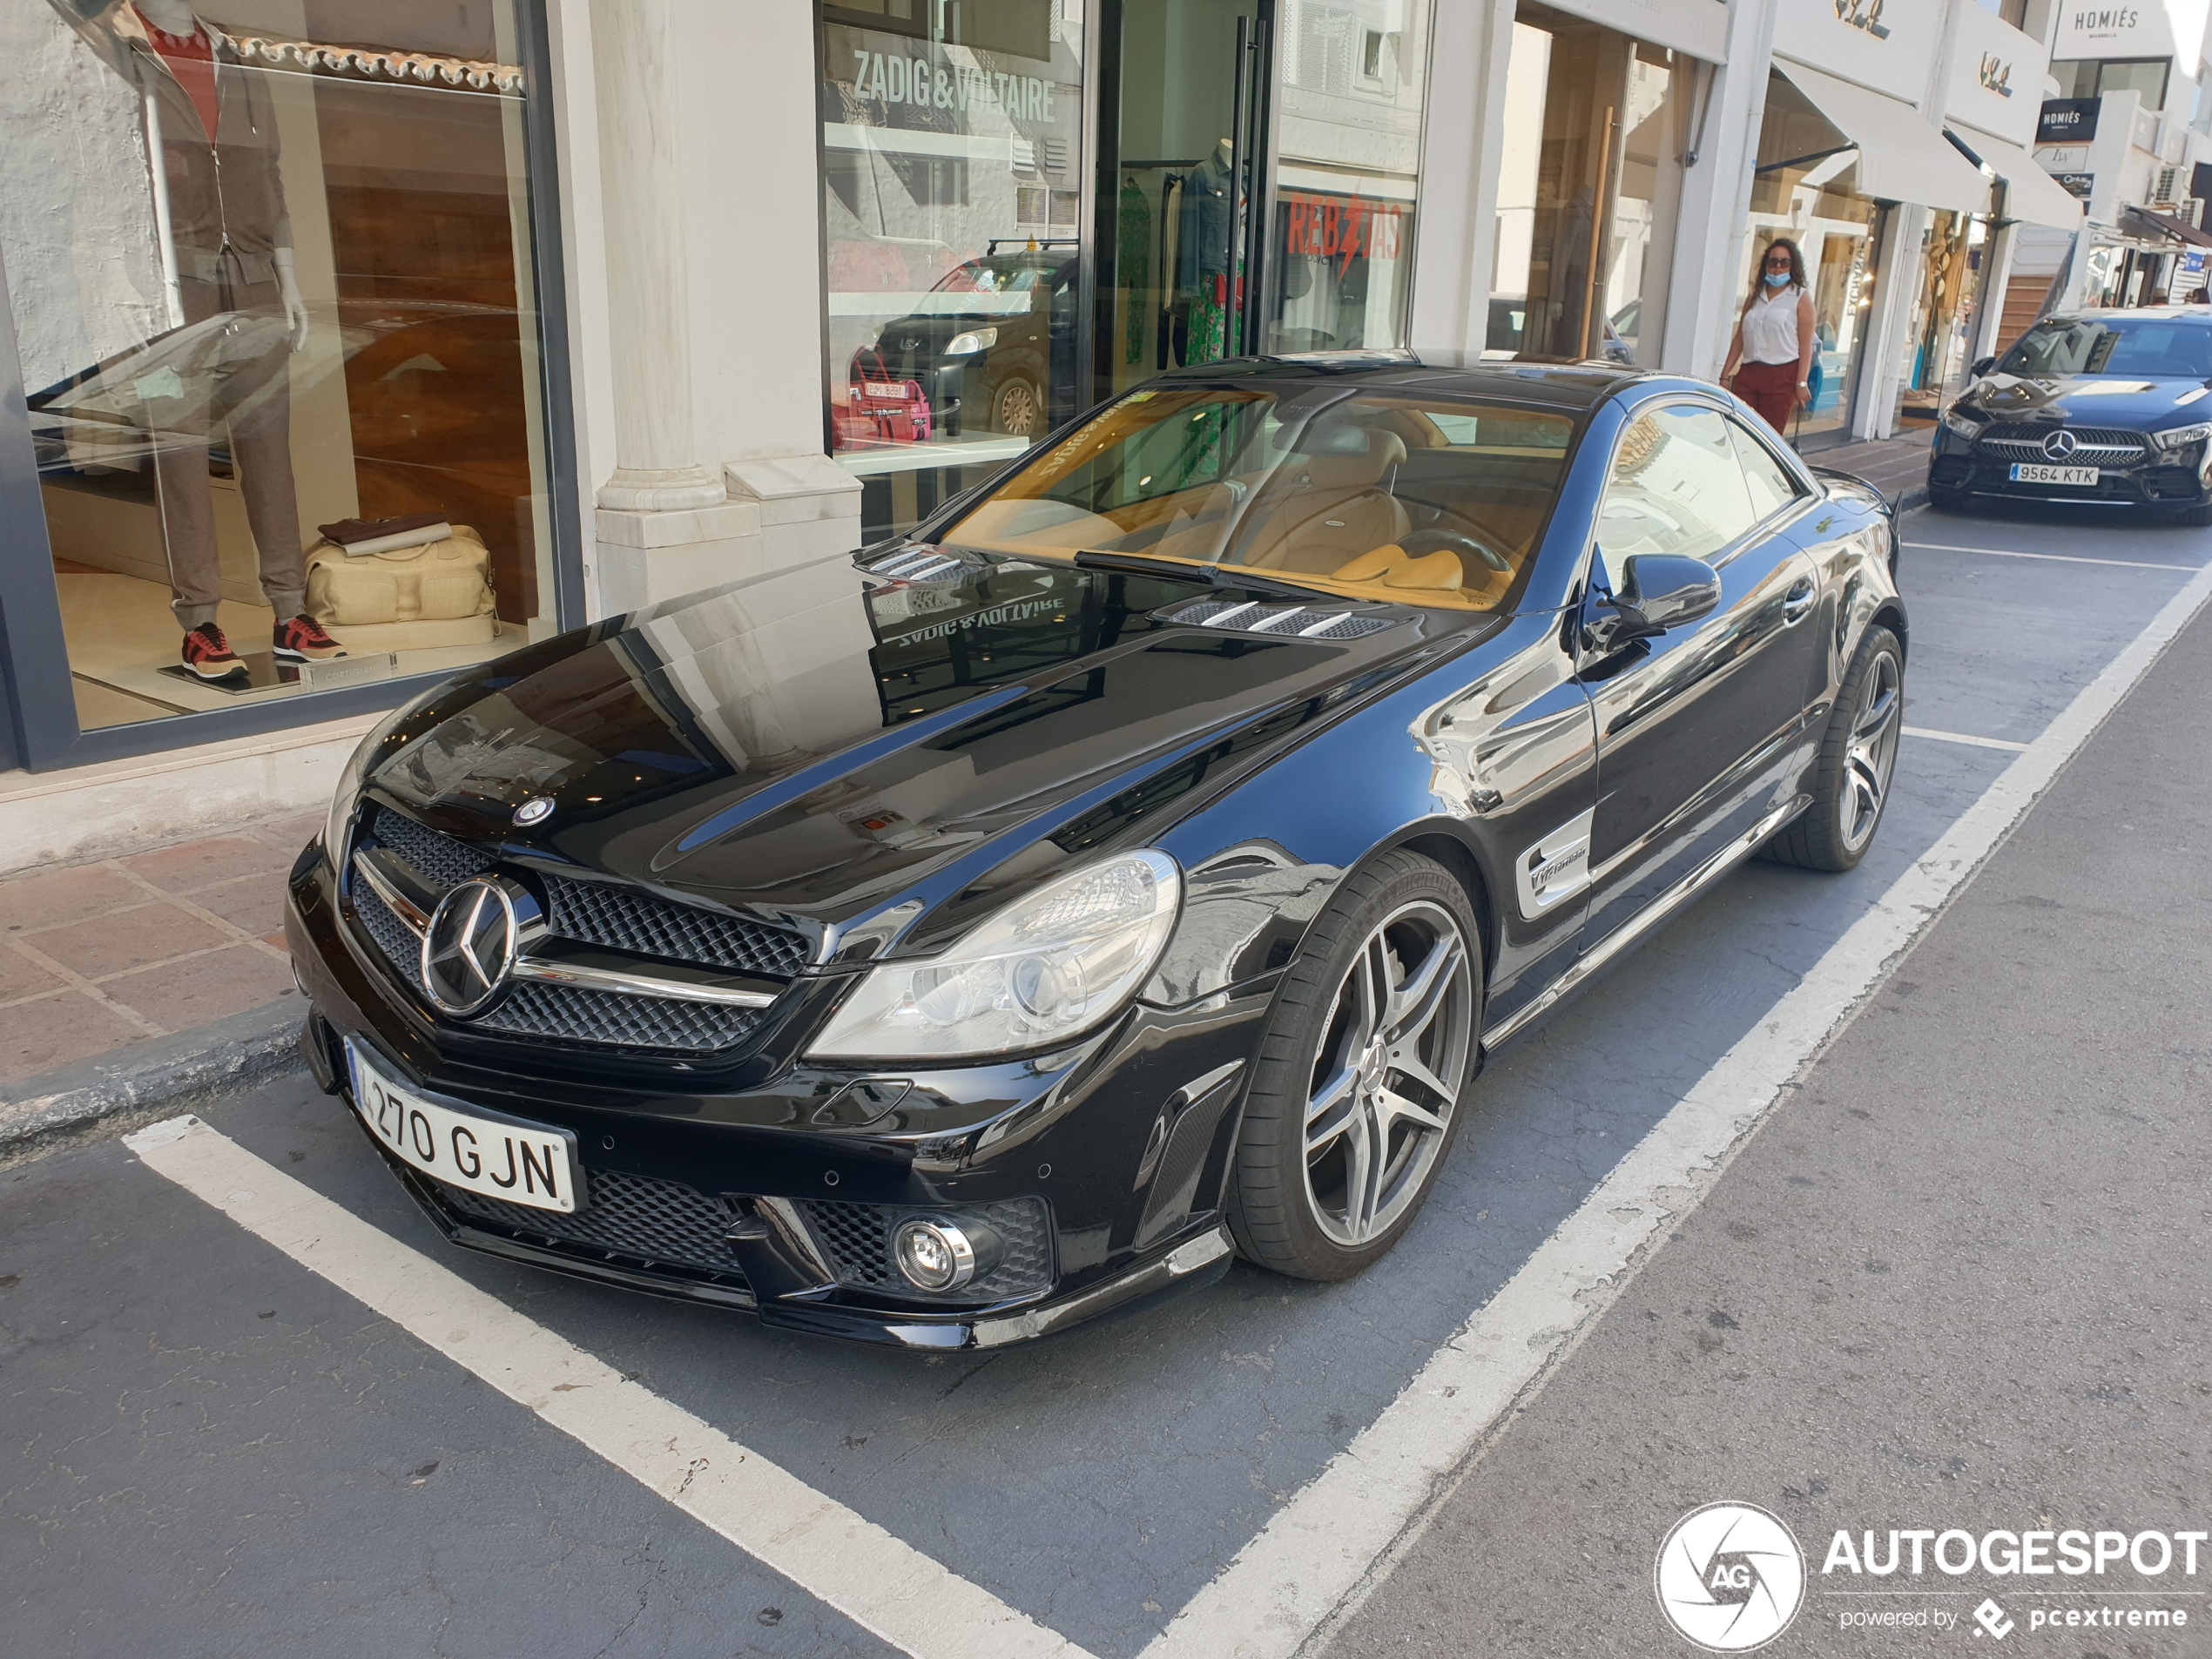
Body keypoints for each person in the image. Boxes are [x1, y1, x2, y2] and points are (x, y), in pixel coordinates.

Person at [1721, 239, 1817, 439]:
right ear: (1766, 265)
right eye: (1773, 262)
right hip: (1749, 373)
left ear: (1793, 266)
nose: (1778, 267)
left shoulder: (1800, 297)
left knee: (1768, 439)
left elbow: (1806, 345)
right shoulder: (1755, 297)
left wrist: (1801, 383)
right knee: (1740, 433)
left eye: (1784, 262)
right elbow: (1740, 338)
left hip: (1781, 375)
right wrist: (1724, 374)